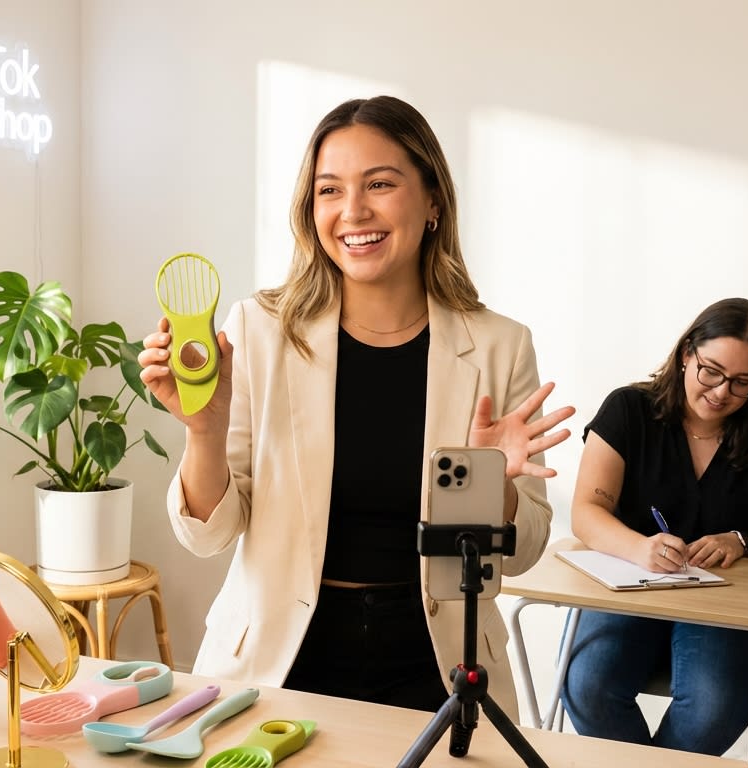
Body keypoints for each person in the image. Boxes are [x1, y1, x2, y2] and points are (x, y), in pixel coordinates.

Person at [138, 95, 575, 714]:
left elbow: (524, 552)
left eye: (379, 184)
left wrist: (492, 488)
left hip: (437, 662)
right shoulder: (259, 330)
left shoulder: (501, 346)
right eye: (329, 190)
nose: (353, 211)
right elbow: (208, 535)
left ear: (432, 201)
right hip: (282, 657)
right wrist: (203, 431)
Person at [560, 297, 748, 755]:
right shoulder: (630, 409)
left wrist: (742, 542)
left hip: (726, 601)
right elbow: (586, 514)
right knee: (586, 685)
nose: (720, 392)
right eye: (711, 371)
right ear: (686, 353)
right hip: (630, 586)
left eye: (742, 383)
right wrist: (640, 548)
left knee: (713, 706)